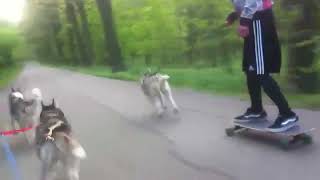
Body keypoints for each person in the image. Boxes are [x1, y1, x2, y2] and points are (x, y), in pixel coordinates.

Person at [226, 0, 298, 132]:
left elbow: (254, 2)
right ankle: (256, 110)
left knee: (260, 71)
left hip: (259, 21)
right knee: (250, 69)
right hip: (252, 21)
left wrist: (243, 22)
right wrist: (234, 15)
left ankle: (287, 114)